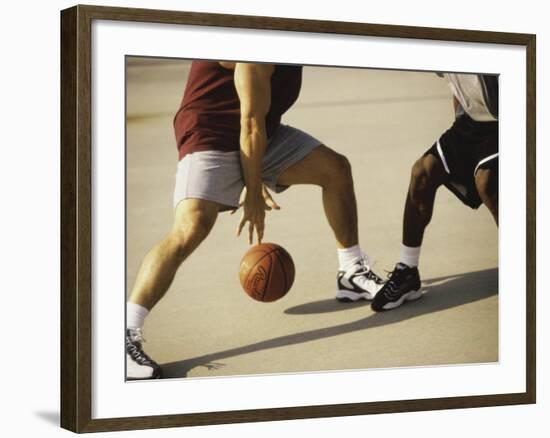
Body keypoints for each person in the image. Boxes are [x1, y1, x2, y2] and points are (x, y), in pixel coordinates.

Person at [125, 61, 384, 380]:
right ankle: (123, 333)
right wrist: (251, 191)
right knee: (189, 228)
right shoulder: (252, 40)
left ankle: (351, 272)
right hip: (211, 134)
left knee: (335, 169)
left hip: (263, 136)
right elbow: (249, 123)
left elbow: (257, 123)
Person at [371, 73, 499, 312]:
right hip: (471, 124)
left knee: (488, 183)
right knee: (422, 173)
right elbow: (457, 88)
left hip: (511, 120)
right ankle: (407, 272)